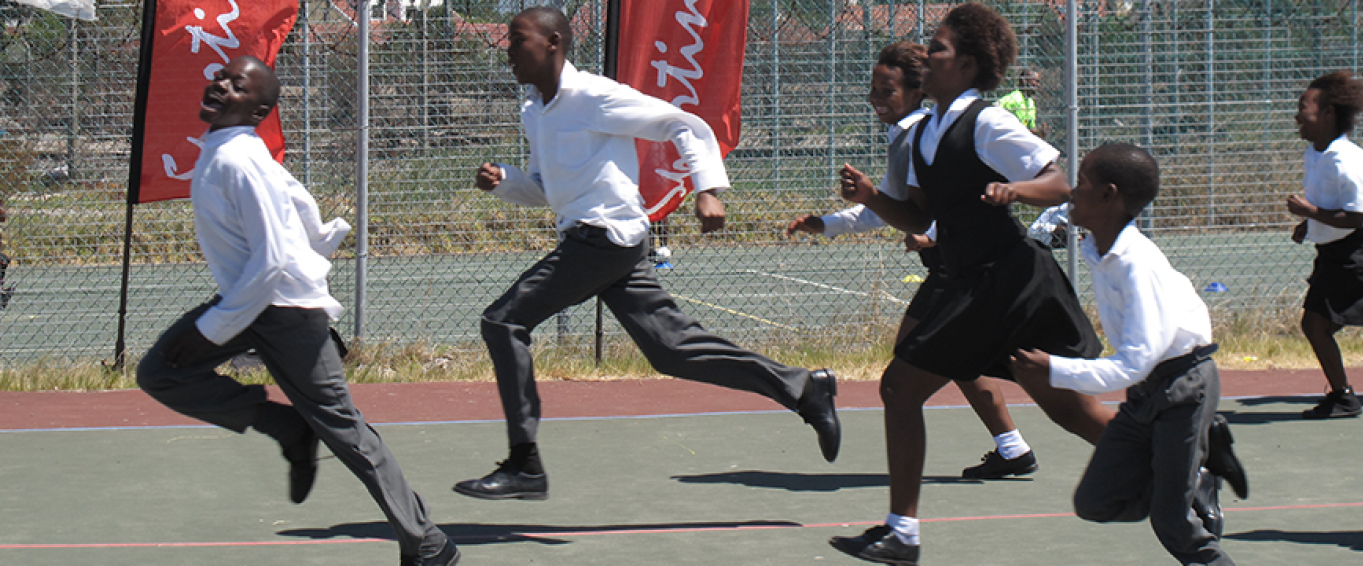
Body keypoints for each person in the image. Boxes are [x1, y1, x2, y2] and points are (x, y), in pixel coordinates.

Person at [454, 6, 840, 502]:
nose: (506, 49)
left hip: (602, 239)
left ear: (552, 43)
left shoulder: (595, 96)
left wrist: (707, 189)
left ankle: (525, 464)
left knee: (503, 322)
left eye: (517, 38)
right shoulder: (534, 109)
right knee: (672, 351)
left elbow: (686, 125)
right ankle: (804, 389)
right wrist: (507, 181)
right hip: (611, 244)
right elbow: (549, 190)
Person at [134, 56, 460, 566]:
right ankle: (286, 427)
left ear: (258, 108)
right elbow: (300, 202)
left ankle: (428, 545)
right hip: (253, 300)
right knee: (159, 372)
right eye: (221, 77)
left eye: (236, 85)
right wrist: (319, 240)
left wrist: (211, 329)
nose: (220, 86)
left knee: (344, 429)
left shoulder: (239, 161)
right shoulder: (233, 153)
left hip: (285, 307)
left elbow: (271, 261)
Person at [827, 4, 1115, 563]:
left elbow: (1057, 183)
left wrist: (1016, 192)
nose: (928, 55)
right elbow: (917, 220)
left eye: (938, 47)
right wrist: (870, 199)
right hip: (969, 279)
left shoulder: (985, 122)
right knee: (1065, 411)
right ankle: (902, 532)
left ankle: (902, 533)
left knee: (910, 389)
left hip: (1006, 280)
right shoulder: (927, 131)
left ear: (967, 64)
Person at [787, 40, 1039, 481]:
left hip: (960, 271)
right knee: (949, 357)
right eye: (873, 89)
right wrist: (824, 224)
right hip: (951, 270)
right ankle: (1013, 447)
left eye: (887, 90)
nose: (875, 99)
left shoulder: (926, 133)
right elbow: (887, 206)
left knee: (907, 374)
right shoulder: (908, 133)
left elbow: (957, 196)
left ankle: (903, 514)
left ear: (917, 89)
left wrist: (931, 232)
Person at [1011, 143, 1247, 565]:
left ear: (1109, 196)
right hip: (1146, 391)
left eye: (1081, 183)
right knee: (1095, 502)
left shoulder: (1137, 264)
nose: (1071, 191)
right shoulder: (1098, 251)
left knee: (1171, 522)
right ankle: (1197, 475)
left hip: (1182, 387)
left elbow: (1135, 361)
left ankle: (1200, 522)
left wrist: (1056, 370)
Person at [1287, 70, 1363, 419]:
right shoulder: (1316, 153)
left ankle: (1344, 397)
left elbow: (1357, 216)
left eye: (1304, 107)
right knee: (1318, 324)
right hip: (1334, 252)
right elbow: (1334, 208)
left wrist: (1311, 211)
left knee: (1316, 324)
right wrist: (1310, 222)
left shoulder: (1344, 159)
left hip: (1354, 253)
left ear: (1329, 113)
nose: (1297, 115)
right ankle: (1343, 396)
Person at [997, 67, 1042, 137]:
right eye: (1035, 81)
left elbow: (1031, 127)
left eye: (1039, 82)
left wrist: (1039, 132)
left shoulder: (1030, 102)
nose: (1038, 85)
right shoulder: (1015, 99)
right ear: (1024, 80)